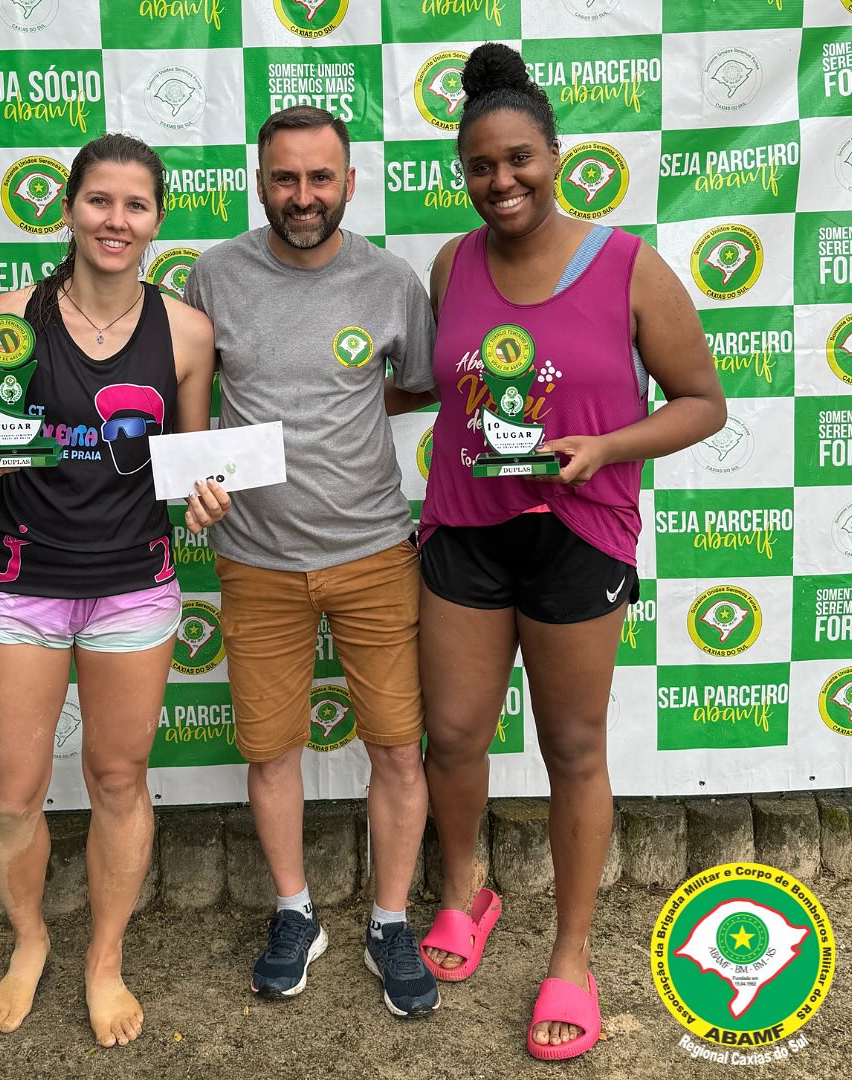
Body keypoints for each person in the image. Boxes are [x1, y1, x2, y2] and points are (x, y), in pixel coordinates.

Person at [415, 44, 726, 1060]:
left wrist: (604, 448)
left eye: (518, 160)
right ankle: (467, 891)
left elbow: (702, 405)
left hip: (578, 535)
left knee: (574, 750)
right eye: (480, 167)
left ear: (556, 156)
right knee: (454, 739)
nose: (500, 182)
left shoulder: (630, 264)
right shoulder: (449, 264)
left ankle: (574, 955)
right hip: (465, 526)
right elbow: (433, 385)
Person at [0, 134, 229, 1048]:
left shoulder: (185, 331)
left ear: (158, 220)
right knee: (12, 794)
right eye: (99, 201)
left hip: (133, 586)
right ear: (68, 208)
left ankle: (103, 957)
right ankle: (30, 941)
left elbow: (187, 463)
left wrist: (203, 498)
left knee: (119, 780)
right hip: (22, 581)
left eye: (136, 205)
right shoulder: (11, 314)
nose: (117, 221)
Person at [182, 106, 440, 1018]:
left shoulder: (390, 280)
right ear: (259, 180)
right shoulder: (214, 274)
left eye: (319, 179)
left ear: (349, 184)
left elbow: (423, 378)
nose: (303, 197)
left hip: (375, 552)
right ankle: (295, 912)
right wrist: (195, 472)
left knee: (399, 750)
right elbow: (189, 395)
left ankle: (390, 921)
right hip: (253, 557)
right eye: (285, 178)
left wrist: (357, 398)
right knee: (269, 750)